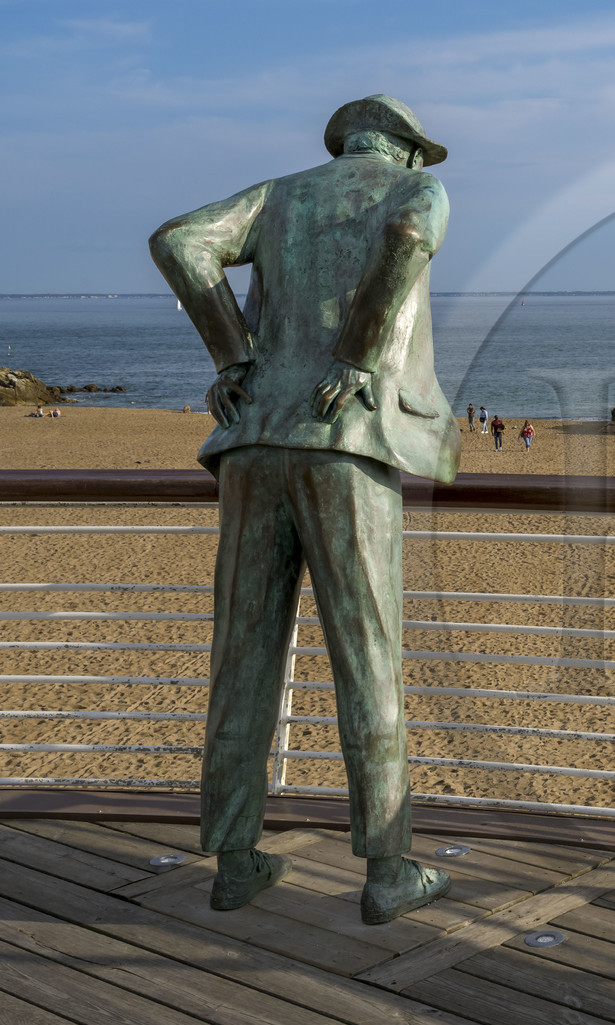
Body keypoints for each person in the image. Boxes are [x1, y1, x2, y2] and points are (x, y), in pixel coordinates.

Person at [149, 94, 458, 925]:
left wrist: (233, 357)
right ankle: (387, 870)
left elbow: (178, 242)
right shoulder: (409, 191)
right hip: (346, 440)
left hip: (252, 439)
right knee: (367, 652)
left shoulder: (279, 194)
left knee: (242, 651)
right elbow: (407, 240)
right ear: (400, 149)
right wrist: (357, 355)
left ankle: (237, 857)